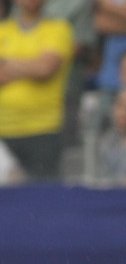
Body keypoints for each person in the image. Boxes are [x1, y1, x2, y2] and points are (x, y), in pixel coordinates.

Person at [0, 0, 73, 180]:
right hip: (4, 129)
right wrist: (31, 65)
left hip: (44, 129)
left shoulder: (59, 29)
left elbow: (45, 69)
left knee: (42, 197)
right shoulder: (3, 31)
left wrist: (6, 63)